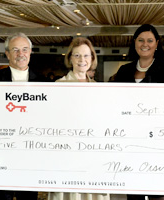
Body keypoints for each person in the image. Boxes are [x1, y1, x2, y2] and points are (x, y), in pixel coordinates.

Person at [113, 24, 164, 200]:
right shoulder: (123, 71)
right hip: (130, 143)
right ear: (134, 42)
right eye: (141, 40)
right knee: (134, 194)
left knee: (157, 195)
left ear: (157, 43)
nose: (145, 44)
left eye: (150, 40)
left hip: (158, 143)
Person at [0, 32, 44, 200]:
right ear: (7, 53)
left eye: (24, 49)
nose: (20, 54)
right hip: (0, 153)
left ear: (30, 52)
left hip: (31, 156)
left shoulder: (44, 83)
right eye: (15, 50)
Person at [51, 37, 106, 200]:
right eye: (77, 55)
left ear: (92, 59)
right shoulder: (58, 86)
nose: (82, 60)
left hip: (94, 154)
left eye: (86, 56)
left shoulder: (101, 89)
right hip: (67, 153)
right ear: (70, 58)